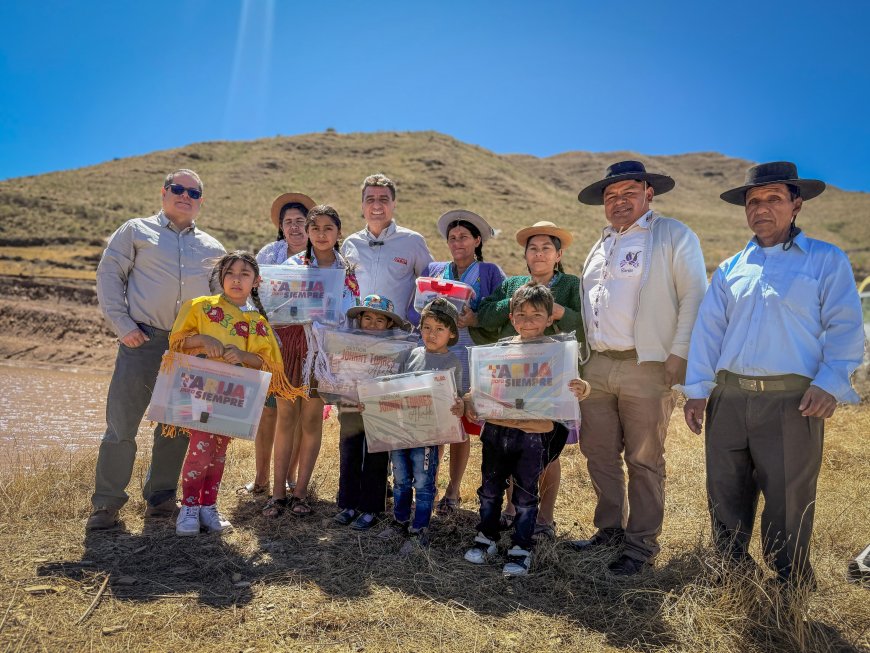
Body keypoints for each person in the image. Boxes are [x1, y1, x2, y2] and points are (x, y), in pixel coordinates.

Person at [681, 161, 864, 586]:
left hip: (791, 400)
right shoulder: (730, 268)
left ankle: (790, 582)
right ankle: (732, 575)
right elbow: (708, 333)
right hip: (729, 398)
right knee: (725, 490)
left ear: (796, 204)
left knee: (787, 498)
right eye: (753, 201)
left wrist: (830, 383)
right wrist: (696, 391)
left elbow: (845, 327)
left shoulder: (825, 260)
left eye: (774, 198)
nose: (761, 208)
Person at [572, 160, 707, 576]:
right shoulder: (602, 244)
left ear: (649, 193)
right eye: (611, 196)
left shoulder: (672, 235)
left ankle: (641, 545)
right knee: (598, 452)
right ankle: (610, 529)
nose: (619, 201)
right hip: (598, 365)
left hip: (645, 364)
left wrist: (680, 352)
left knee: (644, 458)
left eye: (628, 193)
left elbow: (694, 295)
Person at [87, 169, 225, 531]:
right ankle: (106, 504)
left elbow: (220, 302)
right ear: (164, 193)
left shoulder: (214, 249)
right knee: (122, 423)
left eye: (193, 192)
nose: (185, 196)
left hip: (189, 348)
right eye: (178, 189)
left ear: (200, 201)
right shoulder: (135, 230)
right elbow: (109, 275)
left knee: (175, 427)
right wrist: (123, 326)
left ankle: (161, 499)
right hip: (142, 340)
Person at [463, 283, 591, 576]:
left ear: (550, 318)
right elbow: (481, 388)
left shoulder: (558, 352)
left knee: (525, 493)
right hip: (497, 430)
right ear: (511, 318)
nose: (528, 321)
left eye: (536, 315)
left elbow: (579, 385)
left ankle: (521, 547)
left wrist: (582, 388)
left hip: (534, 433)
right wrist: (470, 399)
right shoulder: (500, 351)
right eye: (521, 314)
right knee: (490, 489)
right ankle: (486, 537)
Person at [169, 251, 291, 536]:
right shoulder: (200, 307)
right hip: (199, 390)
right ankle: (189, 507)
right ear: (221, 277)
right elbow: (177, 342)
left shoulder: (257, 322)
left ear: (256, 281)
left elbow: (267, 363)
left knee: (219, 452)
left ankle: (208, 506)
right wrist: (203, 339)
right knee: (200, 448)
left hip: (233, 396)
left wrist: (243, 356)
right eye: (231, 273)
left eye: (244, 274)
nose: (237, 279)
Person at [475, 220, 582, 539]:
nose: (539, 253)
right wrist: (515, 303)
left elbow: (586, 326)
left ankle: (544, 519)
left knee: (546, 451)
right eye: (532, 248)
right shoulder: (513, 285)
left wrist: (558, 311)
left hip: (551, 380)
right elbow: (485, 315)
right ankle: (512, 511)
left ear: (558, 255)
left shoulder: (572, 285)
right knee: (512, 443)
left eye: (546, 248)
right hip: (512, 379)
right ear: (525, 255)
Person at [262, 205, 360, 517]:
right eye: (314, 228)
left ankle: (301, 492)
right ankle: (278, 493)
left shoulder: (347, 273)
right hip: (292, 348)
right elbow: (275, 306)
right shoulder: (292, 266)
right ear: (307, 232)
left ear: (338, 232)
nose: (321, 234)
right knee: (286, 418)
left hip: (324, 354)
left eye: (328, 228)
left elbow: (351, 313)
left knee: (311, 420)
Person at [407, 210, 506, 515]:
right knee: (435, 424)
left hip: (471, 354)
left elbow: (500, 311)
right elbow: (414, 310)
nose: (457, 242)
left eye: (464, 237)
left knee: (461, 425)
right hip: (436, 356)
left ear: (477, 240)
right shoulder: (434, 270)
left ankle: (453, 490)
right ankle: (428, 487)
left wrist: (475, 318)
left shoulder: (490, 272)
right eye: (452, 238)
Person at [380, 298, 466, 554]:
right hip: (403, 431)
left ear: (452, 333)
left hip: (428, 436)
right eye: (427, 327)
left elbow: (455, 398)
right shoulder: (412, 355)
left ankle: (420, 528)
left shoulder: (452, 362)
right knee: (400, 479)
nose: (432, 334)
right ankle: (399, 521)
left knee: (424, 482)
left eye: (439, 329)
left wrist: (459, 405)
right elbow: (396, 388)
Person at [246, 192, 317, 497]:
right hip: (271, 340)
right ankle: (261, 478)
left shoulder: (320, 256)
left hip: (307, 344)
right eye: (288, 222)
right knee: (269, 410)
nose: (294, 227)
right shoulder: (268, 255)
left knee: (298, 413)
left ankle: (288, 476)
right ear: (281, 226)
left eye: (300, 221)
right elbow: (253, 294)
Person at [334, 295, 413, 530]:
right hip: (350, 409)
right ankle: (348, 504)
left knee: (376, 459)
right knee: (349, 454)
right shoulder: (346, 344)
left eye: (380, 320)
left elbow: (399, 382)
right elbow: (338, 376)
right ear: (359, 319)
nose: (373, 324)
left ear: (389, 324)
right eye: (367, 318)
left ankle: (371, 508)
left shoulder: (397, 349)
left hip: (381, 411)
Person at [341, 173, 434, 321]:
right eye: (370, 199)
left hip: (399, 330)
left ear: (394, 203)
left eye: (383, 199)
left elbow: (431, 284)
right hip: (355, 329)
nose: (377, 205)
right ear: (362, 205)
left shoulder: (413, 241)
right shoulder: (350, 244)